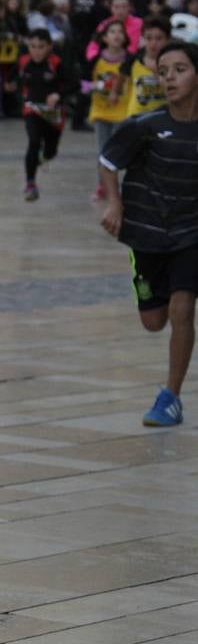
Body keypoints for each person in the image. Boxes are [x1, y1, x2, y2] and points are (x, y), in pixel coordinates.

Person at [100, 41, 198, 427]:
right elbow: (108, 162)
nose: (169, 78)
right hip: (147, 235)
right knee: (154, 321)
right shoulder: (145, 126)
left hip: (191, 233)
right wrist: (115, 203)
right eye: (163, 71)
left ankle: (170, 398)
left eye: (180, 69)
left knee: (182, 308)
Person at [87, 19, 133, 201]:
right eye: (112, 32)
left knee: (118, 151)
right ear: (104, 37)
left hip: (122, 113)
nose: (116, 35)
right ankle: (102, 185)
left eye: (120, 32)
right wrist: (97, 85)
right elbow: (84, 83)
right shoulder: (96, 60)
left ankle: (117, 186)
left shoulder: (130, 59)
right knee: (102, 151)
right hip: (100, 112)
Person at [18, 29, 66, 201]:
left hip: (54, 114)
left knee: (51, 150)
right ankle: (30, 183)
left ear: (49, 47)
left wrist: (58, 95)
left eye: (41, 47)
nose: (36, 51)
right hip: (32, 109)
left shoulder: (56, 63)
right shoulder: (23, 62)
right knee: (34, 141)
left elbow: (73, 84)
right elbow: (16, 81)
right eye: (33, 46)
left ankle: (44, 157)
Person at [126, 15, 172, 118]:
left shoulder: (174, 63)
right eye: (148, 38)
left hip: (163, 117)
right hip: (136, 117)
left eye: (159, 38)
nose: (153, 43)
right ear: (142, 38)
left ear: (168, 39)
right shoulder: (133, 60)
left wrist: (157, 73)